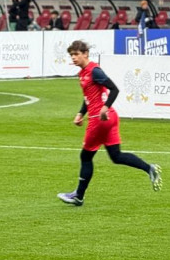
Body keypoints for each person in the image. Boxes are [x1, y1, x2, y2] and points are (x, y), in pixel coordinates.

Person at [57, 40, 161, 206]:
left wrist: (104, 108)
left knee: (85, 156)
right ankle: (150, 168)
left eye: (76, 54)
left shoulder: (94, 71)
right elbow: (89, 98)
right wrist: (80, 113)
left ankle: (79, 196)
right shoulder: (83, 73)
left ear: (85, 54)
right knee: (116, 156)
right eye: (71, 55)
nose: (73, 58)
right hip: (110, 118)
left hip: (100, 119)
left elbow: (114, 89)